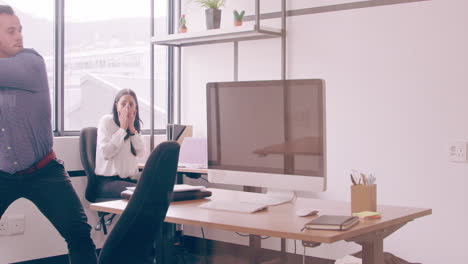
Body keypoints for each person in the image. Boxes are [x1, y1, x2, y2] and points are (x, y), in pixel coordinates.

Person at [0, 5, 97, 264]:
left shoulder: (31, 62)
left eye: (19, 29)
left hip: (44, 171)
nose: (19, 36)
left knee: (78, 234)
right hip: (2, 174)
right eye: (10, 31)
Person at [94, 89, 146, 199]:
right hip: (108, 182)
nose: (127, 107)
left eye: (131, 104)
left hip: (128, 181)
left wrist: (132, 130)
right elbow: (106, 153)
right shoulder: (107, 121)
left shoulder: (134, 127)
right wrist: (122, 129)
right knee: (142, 195)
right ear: (117, 105)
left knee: (154, 192)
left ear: (135, 109)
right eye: (123, 103)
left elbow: (141, 153)